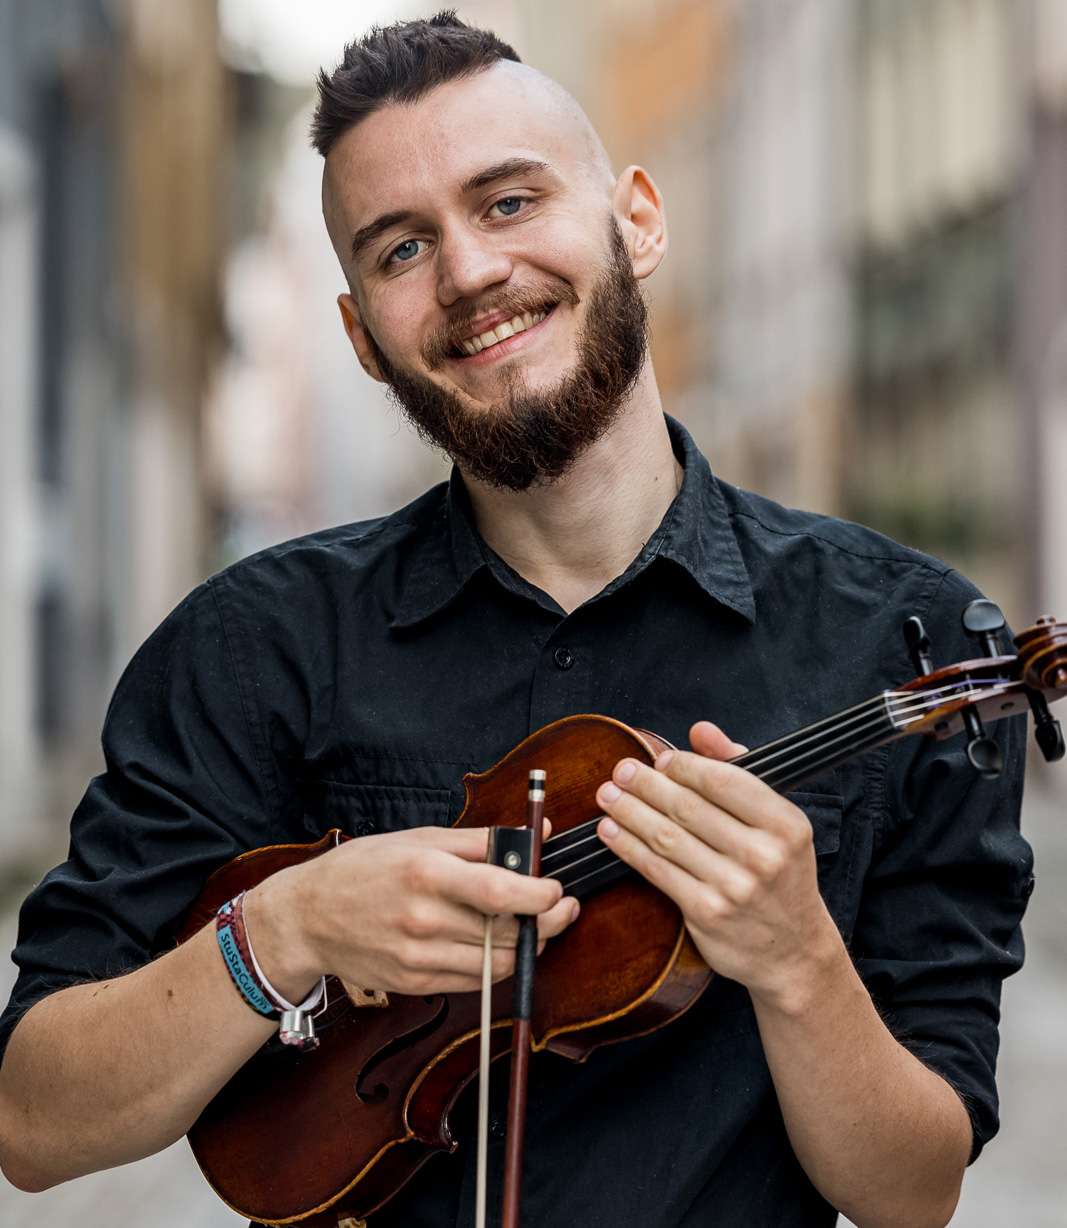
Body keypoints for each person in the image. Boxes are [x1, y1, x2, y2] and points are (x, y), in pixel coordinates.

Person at [0, 13, 1033, 1228]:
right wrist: (280, 930)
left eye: (507, 202)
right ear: (361, 341)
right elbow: (33, 1122)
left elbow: (912, 1192)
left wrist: (797, 958)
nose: (470, 273)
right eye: (398, 250)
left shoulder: (905, 638)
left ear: (634, 220)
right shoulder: (252, 647)